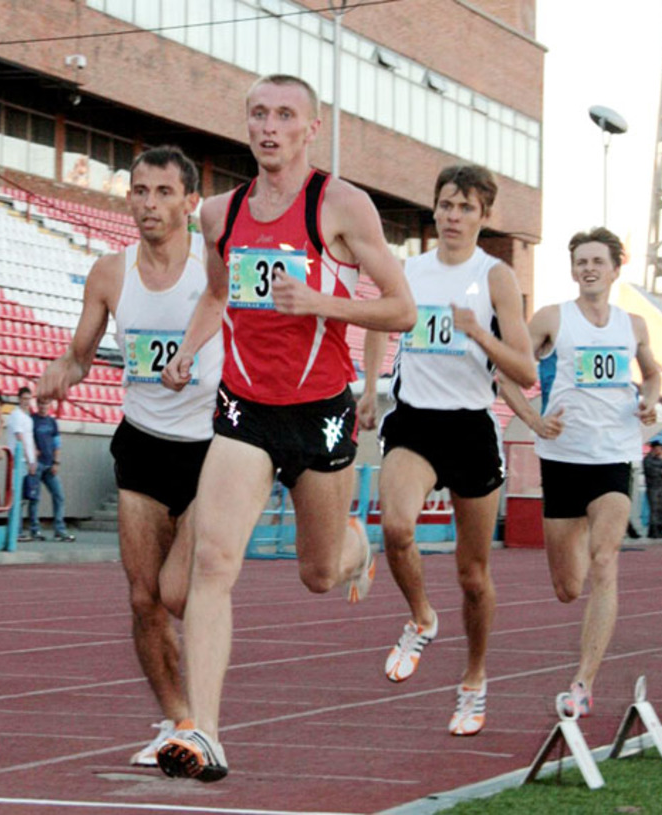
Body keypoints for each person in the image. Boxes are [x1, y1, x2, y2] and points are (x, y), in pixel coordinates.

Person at [156, 73, 416, 782]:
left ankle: (359, 551)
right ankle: (205, 731)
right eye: (258, 114)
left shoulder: (341, 205)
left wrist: (321, 303)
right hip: (243, 411)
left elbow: (401, 309)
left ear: (311, 126)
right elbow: (216, 292)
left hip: (322, 414)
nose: (269, 126)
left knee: (318, 572)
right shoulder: (218, 214)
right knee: (213, 563)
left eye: (285, 115)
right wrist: (185, 351)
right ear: (247, 126)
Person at [37, 145, 224, 766]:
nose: (148, 204)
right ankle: (180, 721)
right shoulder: (110, 273)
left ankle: (201, 716)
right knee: (143, 599)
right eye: (139, 191)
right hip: (142, 443)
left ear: (190, 202)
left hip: (211, 448)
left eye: (163, 192)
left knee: (177, 593)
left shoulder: (212, 268)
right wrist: (61, 371)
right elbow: (81, 353)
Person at [358, 164, 536, 736]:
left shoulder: (496, 277)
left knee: (474, 575)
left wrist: (479, 333)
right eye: (446, 205)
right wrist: (368, 387)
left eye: (466, 208)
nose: (453, 216)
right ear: (434, 209)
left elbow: (526, 371)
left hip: (471, 428)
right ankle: (420, 617)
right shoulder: (409, 269)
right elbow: (380, 324)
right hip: (414, 422)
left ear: (483, 217)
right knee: (396, 529)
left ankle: (474, 682)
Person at [499, 227, 661, 717]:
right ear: (573, 270)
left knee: (605, 559)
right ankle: (585, 538)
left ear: (615, 269)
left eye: (597, 260)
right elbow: (507, 372)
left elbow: (652, 373)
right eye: (580, 261)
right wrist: (533, 421)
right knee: (568, 587)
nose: (588, 268)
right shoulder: (552, 318)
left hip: (614, 457)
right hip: (564, 460)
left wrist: (650, 400)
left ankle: (582, 684)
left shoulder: (632, 326)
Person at [27, 396, 75, 542]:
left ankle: (59, 530)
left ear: (50, 405)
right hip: (37, 464)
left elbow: (57, 444)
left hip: (49, 464)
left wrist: (56, 462)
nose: (43, 406)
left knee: (59, 495)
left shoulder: (52, 422)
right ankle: (34, 530)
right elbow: (27, 439)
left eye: (46, 403)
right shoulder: (32, 420)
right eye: (41, 403)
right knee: (34, 498)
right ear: (37, 404)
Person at [6, 386, 38, 541]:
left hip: (26, 462)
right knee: (17, 496)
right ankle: (15, 531)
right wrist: (29, 459)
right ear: (19, 399)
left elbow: (29, 440)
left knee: (23, 498)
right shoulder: (16, 415)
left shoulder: (27, 417)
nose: (26, 402)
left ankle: (17, 530)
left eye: (28, 399)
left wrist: (33, 459)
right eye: (24, 399)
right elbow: (20, 438)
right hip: (19, 461)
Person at [643, 440, 662, 538]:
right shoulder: (648, 459)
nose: (661, 451)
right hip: (654, 487)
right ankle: (653, 531)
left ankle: (661, 529)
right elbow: (656, 472)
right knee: (655, 510)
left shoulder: (661, 460)